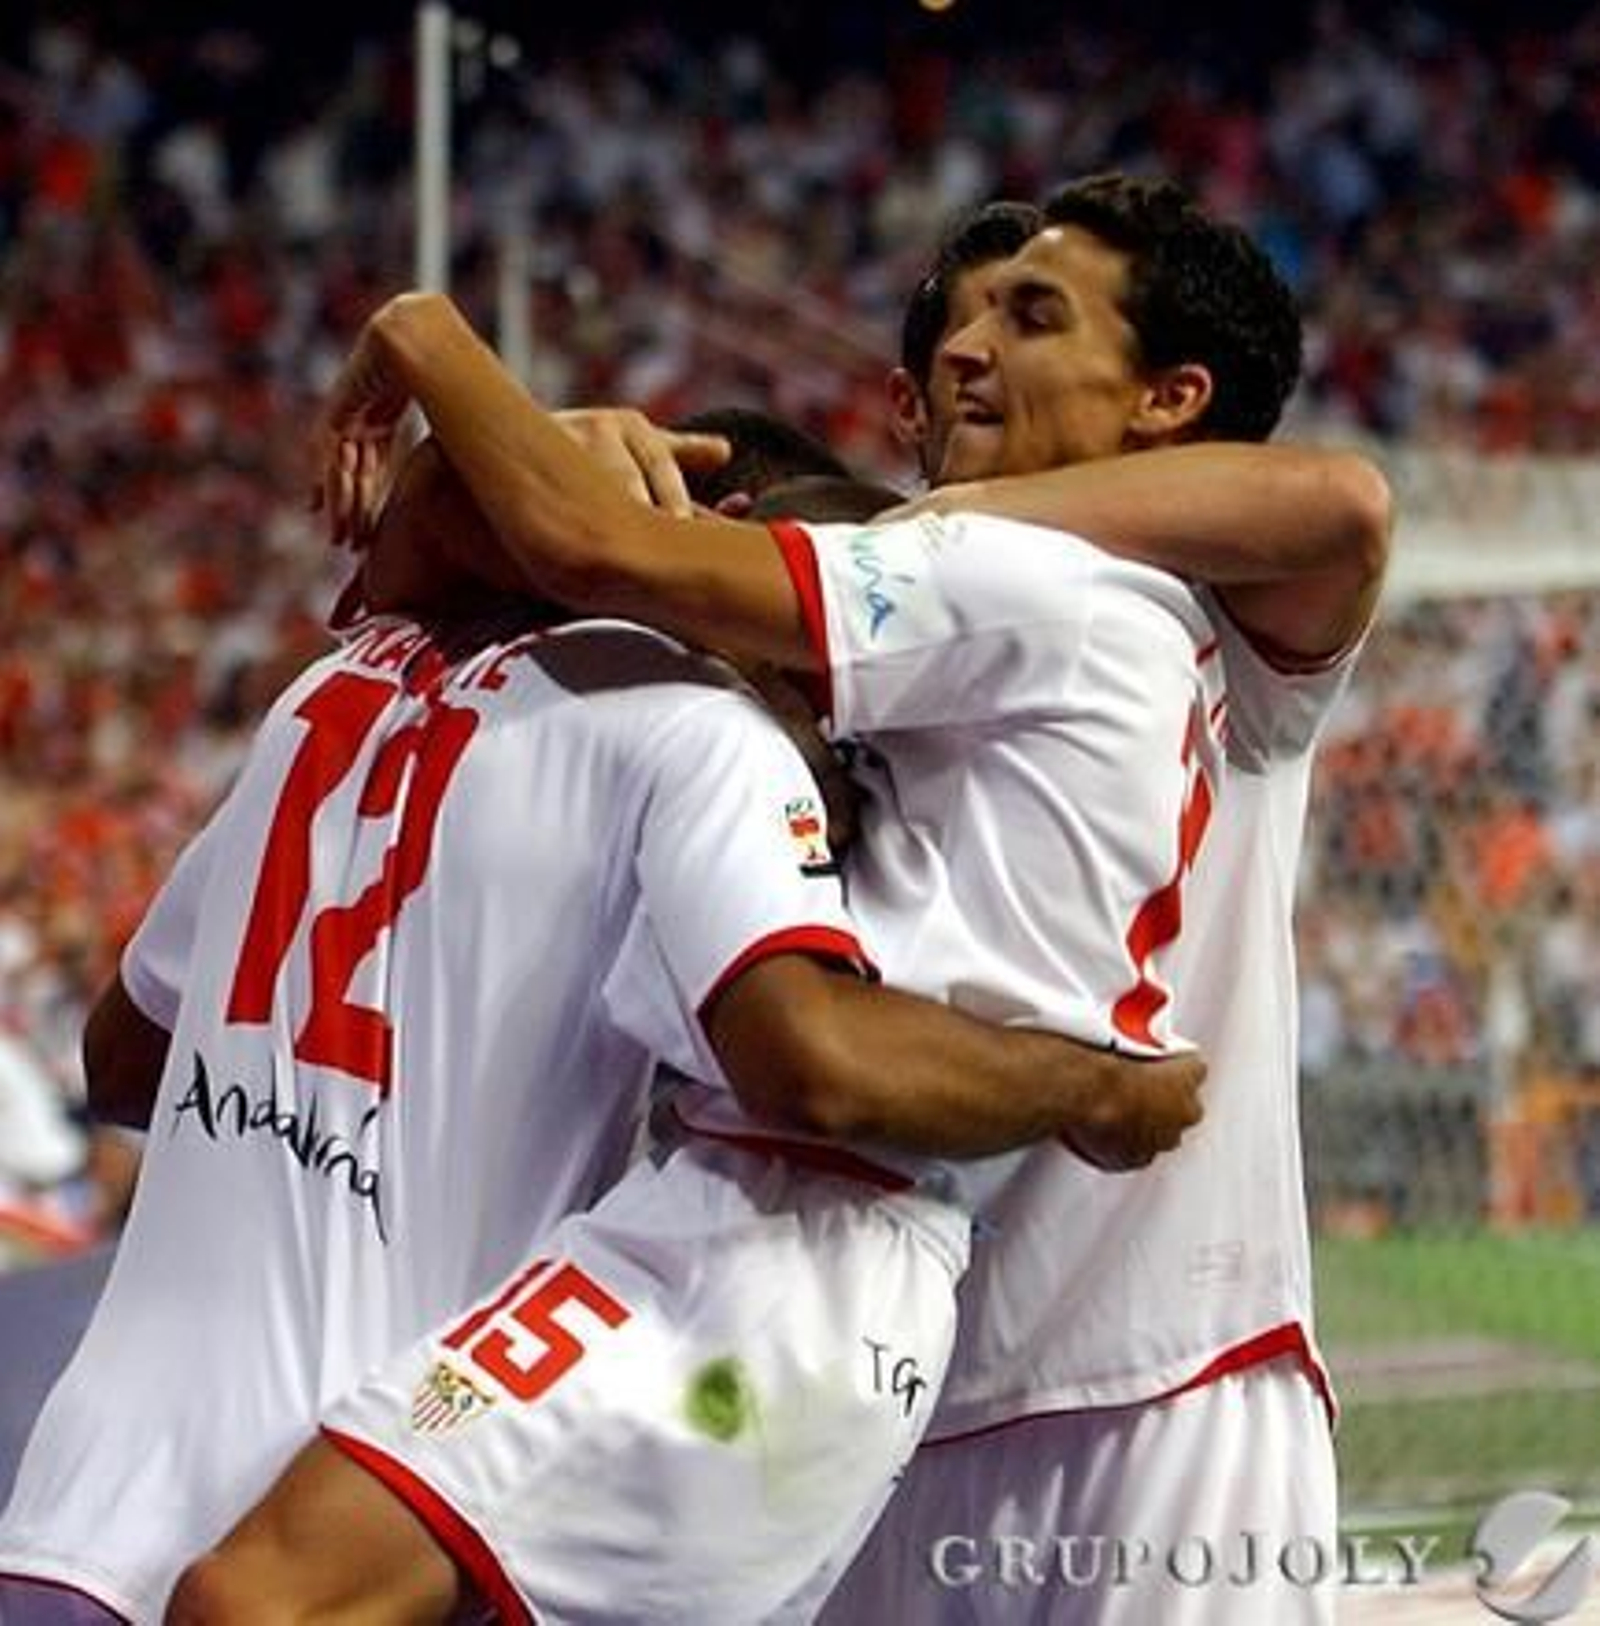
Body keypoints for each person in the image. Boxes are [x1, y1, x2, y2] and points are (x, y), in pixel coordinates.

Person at [224, 169, 1389, 1623]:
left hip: (1160, 1371)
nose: (972, 358)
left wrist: (437, 355)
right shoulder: (879, 642)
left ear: (1169, 398)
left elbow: (1341, 503)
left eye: (1031, 319)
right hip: (881, 1362)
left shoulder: (1178, 631)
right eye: (957, 336)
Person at [0, 437, 1201, 1625]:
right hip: (322, 1512)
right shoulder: (701, 732)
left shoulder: (330, 695)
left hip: (79, 1510)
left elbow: (125, 1061)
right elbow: (813, 1061)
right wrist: (1097, 1088)